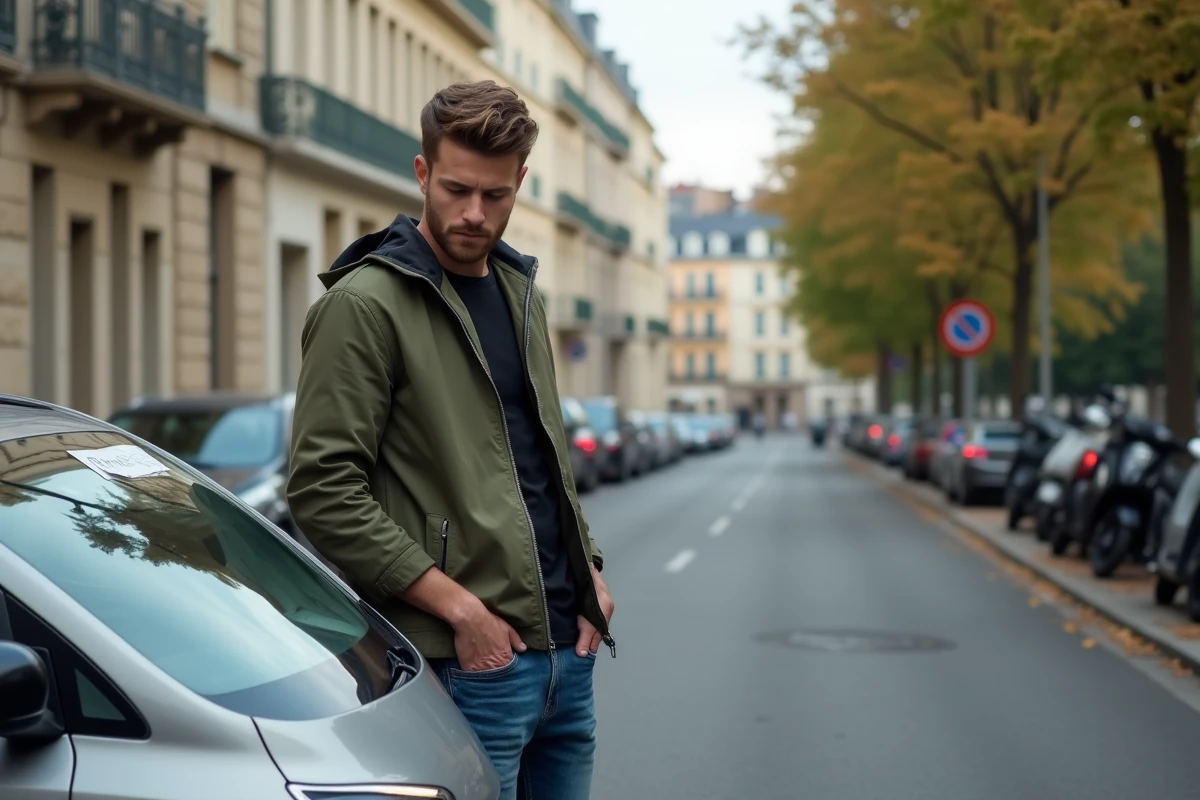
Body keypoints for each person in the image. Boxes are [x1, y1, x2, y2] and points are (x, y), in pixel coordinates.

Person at [286, 80, 616, 800]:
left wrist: (588, 567)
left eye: (494, 195)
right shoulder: (363, 306)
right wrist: (462, 613)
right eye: (456, 189)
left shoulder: (522, 294)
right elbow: (322, 491)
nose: (474, 213)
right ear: (422, 172)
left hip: (568, 657)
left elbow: (544, 457)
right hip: (469, 665)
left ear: (520, 182)